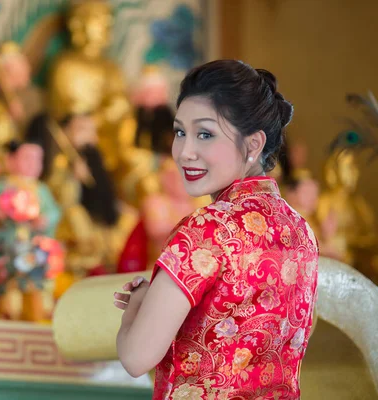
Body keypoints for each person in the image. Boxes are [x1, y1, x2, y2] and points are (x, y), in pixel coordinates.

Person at [113, 60, 319, 399]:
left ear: (253, 145)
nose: (184, 152)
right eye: (180, 132)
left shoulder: (207, 229)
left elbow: (136, 357)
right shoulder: (301, 232)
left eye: (205, 134)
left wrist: (135, 307)